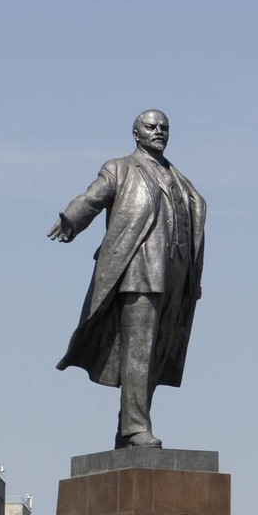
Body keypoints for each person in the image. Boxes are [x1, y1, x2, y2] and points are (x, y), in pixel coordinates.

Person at [49, 110, 206, 449]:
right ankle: (136, 428)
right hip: (139, 272)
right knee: (138, 351)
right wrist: (71, 220)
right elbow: (93, 198)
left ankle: (128, 428)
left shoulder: (180, 179)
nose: (159, 132)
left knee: (157, 355)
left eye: (164, 128)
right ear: (136, 133)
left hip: (176, 276)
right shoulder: (119, 168)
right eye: (151, 127)